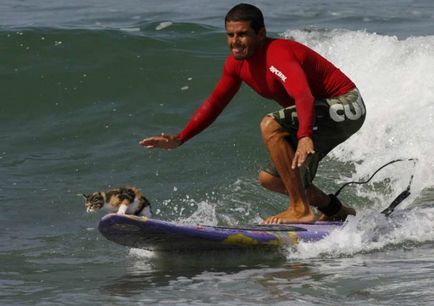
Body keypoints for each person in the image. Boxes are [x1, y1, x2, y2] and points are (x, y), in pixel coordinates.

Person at [140, 3, 366, 224]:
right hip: (315, 113)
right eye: (230, 35)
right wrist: (180, 138)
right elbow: (215, 103)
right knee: (272, 180)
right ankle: (334, 209)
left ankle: (300, 209)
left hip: (346, 105)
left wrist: (304, 135)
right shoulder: (237, 64)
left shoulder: (277, 55)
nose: (234, 42)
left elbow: (303, 96)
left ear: (261, 33)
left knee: (270, 124)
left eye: (242, 34)